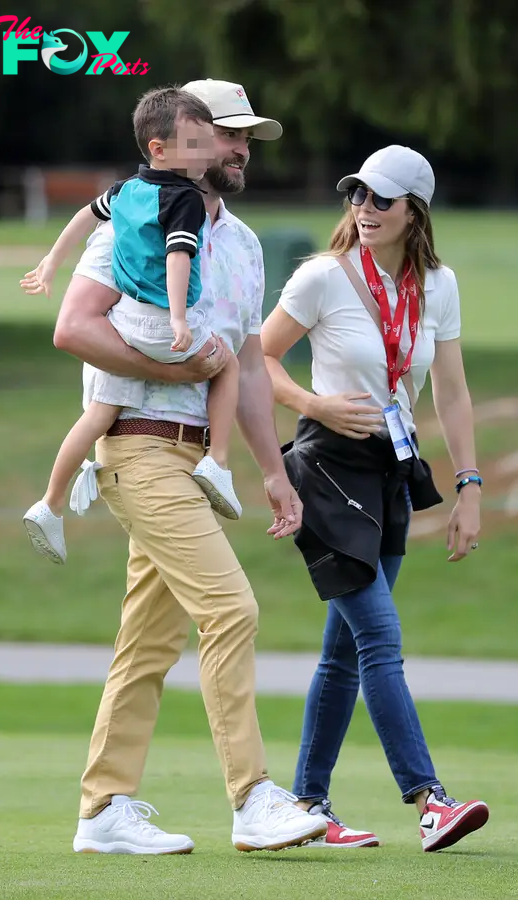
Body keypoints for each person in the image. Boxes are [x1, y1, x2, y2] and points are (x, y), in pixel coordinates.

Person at [50, 79, 329, 854]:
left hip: (195, 460)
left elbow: (242, 358)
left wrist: (273, 471)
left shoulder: (238, 243)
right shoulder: (134, 221)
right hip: (136, 444)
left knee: (145, 645)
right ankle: (252, 799)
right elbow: (72, 328)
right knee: (231, 609)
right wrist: (176, 373)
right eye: (229, 134)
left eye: (247, 140)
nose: (241, 150)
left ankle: (104, 811)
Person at [261, 145, 490, 852]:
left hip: (392, 468)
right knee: (380, 641)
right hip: (326, 466)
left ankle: (308, 804)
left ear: (413, 210)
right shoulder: (322, 278)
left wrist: (470, 485)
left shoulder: (439, 285)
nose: (364, 209)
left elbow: (450, 391)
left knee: (344, 653)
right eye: (356, 195)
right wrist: (314, 403)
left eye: (380, 200)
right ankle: (429, 800)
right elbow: (257, 358)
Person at [21, 87, 241, 568]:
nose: (209, 155)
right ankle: (218, 463)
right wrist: (181, 319)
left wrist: (51, 262)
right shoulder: (184, 198)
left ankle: (50, 504)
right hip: (165, 324)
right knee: (228, 364)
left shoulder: (125, 190)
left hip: (125, 323)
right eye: (198, 145)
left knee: (99, 413)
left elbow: (84, 215)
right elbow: (178, 256)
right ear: (160, 149)